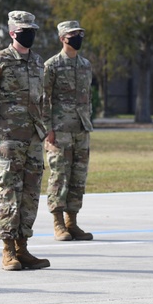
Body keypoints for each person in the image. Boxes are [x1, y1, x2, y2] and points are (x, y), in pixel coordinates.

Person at [0, 11, 51, 271]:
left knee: (31, 193)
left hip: (33, 136)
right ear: (12, 33)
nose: (29, 33)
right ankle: (8, 249)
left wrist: (46, 129)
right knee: (10, 193)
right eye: (23, 30)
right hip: (7, 137)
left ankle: (23, 246)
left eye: (32, 29)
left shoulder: (38, 62)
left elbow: (42, 100)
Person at [44, 20, 94, 242]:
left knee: (78, 176)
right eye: (74, 34)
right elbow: (44, 100)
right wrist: (47, 130)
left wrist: (88, 122)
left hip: (81, 129)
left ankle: (72, 222)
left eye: (80, 34)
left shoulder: (85, 65)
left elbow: (87, 97)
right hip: (59, 130)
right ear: (63, 38)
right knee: (59, 176)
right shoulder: (51, 66)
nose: (78, 38)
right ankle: (58, 223)